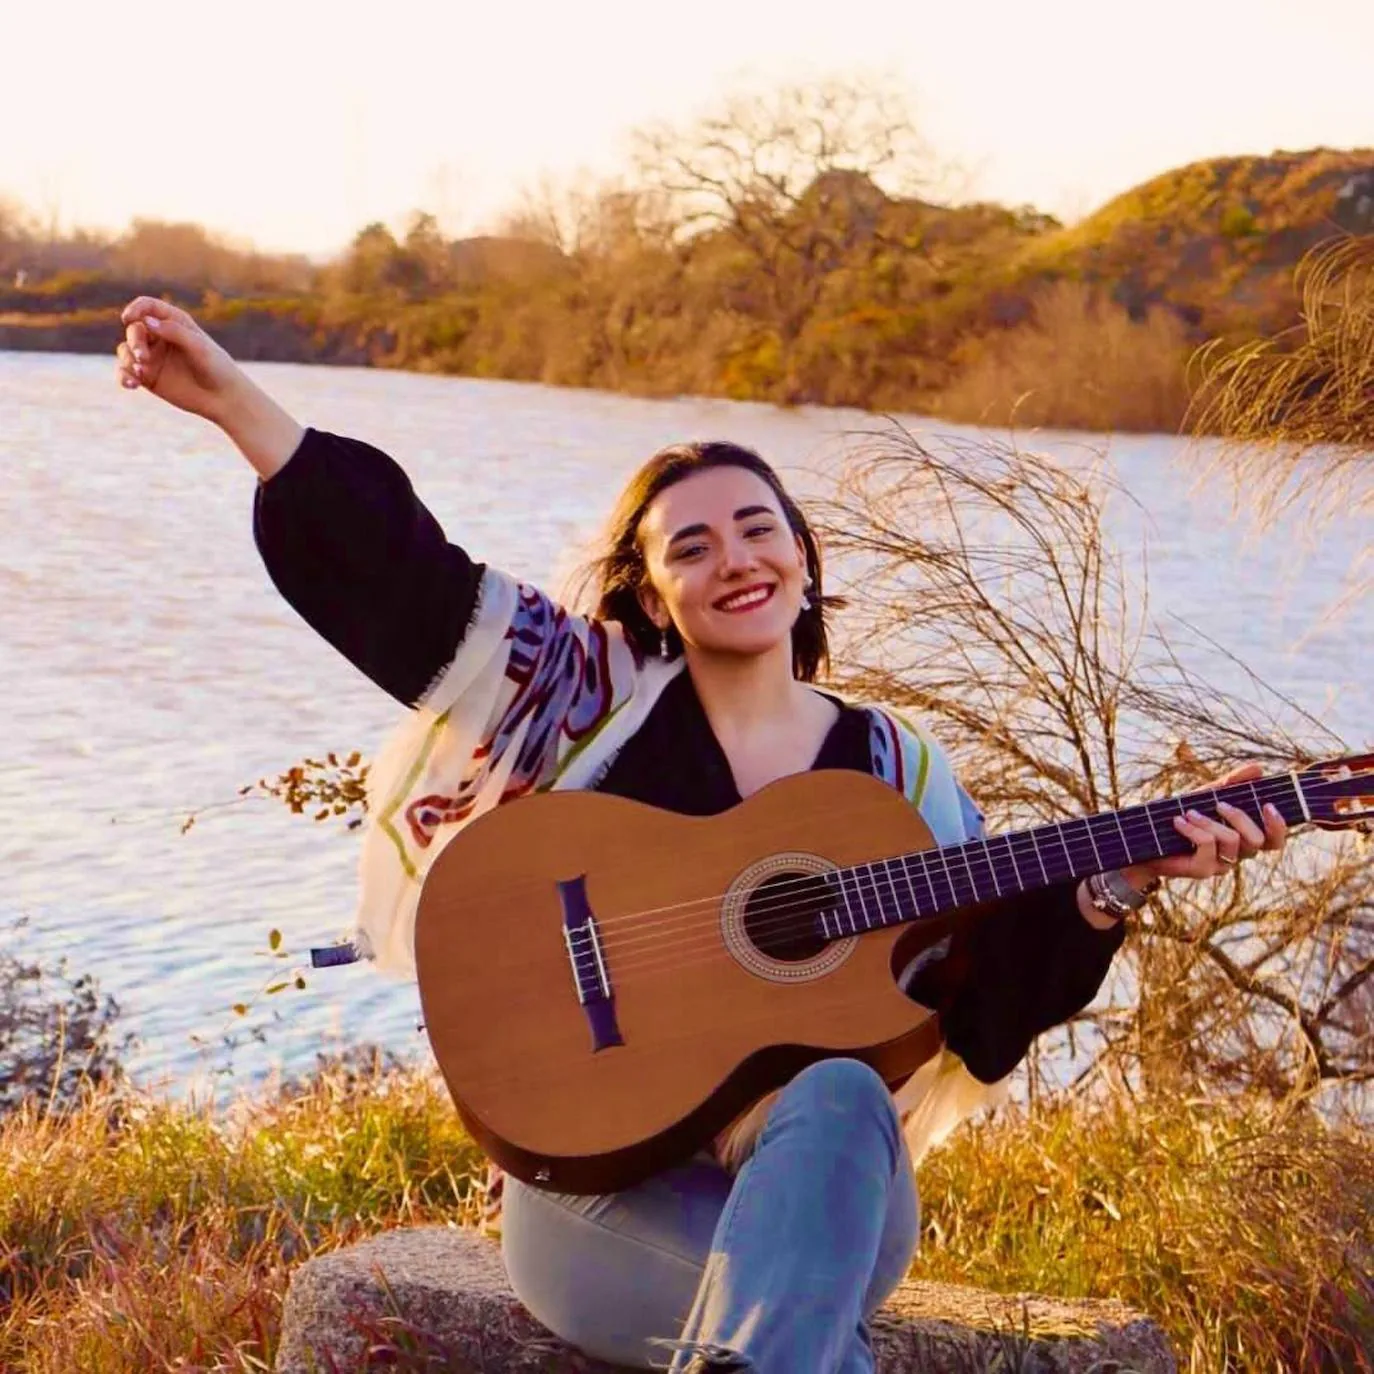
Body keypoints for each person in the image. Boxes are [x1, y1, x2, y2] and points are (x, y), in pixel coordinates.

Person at [114, 296, 1289, 1374]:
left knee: (840, 1093)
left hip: (822, 1209)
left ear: (805, 565)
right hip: (600, 1205)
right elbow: (406, 581)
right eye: (691, 546)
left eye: (757, 529)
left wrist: (1115, 879)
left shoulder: (895, 774)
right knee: (801, 1337)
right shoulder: (585, 700)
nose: (734, 558)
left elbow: (982, 1007)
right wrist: (236, 405)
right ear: (650, 589)